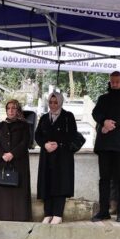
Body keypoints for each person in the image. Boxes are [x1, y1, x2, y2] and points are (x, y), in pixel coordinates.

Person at [91, 71, 120, 222]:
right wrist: (104, 121)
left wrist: (114, 124)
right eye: (112, 81)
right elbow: (96, 113)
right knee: (104, 179)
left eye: (117, 81)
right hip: (104, 144)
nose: (115, 84)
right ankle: (104, 211)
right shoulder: (103, 98)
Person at [35, 91, 82, 224]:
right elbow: (37, 135)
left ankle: (58, 214)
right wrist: (45, 144)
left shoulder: (68, 116)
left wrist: (59, 144)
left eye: (55, 102)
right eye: (50, 102)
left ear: (60, 102)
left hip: (62, 156)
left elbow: (73, 135)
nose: (53, 105)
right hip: (47, 156)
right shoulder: (44, 118)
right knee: (47, 183)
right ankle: (48, 213)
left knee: (60, 184)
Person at [0, 99, 32, 222]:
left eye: (14, 108)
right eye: (8, 108)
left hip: (19, 163)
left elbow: (26, 142)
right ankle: (2, 216)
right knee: (4, 190)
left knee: (19, 190)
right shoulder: (1, 125)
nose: (11, 111)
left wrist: (12, 154)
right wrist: (2, 154)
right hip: (3, 162)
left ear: (18, 110)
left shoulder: (24, 125)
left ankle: (20, 217)